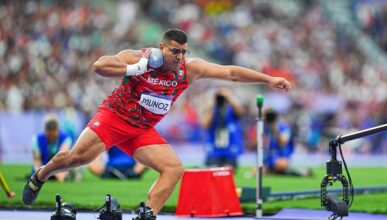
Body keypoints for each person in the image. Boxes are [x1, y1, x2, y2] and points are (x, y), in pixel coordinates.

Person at [23, 28, 291, 219]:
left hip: (141, 130)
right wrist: (137, 68)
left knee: (173, 168)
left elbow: (231, 73)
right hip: (113, 118)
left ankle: (146, 214)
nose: (179, 57)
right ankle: (41, 175)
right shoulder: (140, 57)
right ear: (161, 48)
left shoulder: (189, 69)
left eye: (184, 52)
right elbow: (99, 66)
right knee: (75, 158)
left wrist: (268, 79)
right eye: (175, 51)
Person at [202, 88, 245, 169]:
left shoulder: (232, 109)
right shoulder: (212, 109)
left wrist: (229, 99)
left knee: (228, 171)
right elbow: (205, 125)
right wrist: (214, 104)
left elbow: (241, 113)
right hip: (214, 147)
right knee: (211, 170)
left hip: (229, 147)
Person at [263, 108, 311, 176]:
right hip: (270, 158)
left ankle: (300, 171)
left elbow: (283, 141)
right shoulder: (265, 128)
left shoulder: (283, 127)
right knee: (257, 170)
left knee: (280, 165)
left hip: (282, 158)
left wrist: (274, 129)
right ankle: (280, 171)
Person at [31, 115, 73, 182]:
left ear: (58, 130)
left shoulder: (66, 138)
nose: (51, 138)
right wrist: (39, 173)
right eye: (49, 136)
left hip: (60, 168)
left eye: (53, 136)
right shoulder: (36, 139)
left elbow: (62, 159)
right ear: (45, 131)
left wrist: (59, 174)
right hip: (43, 168)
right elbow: (37, 161)